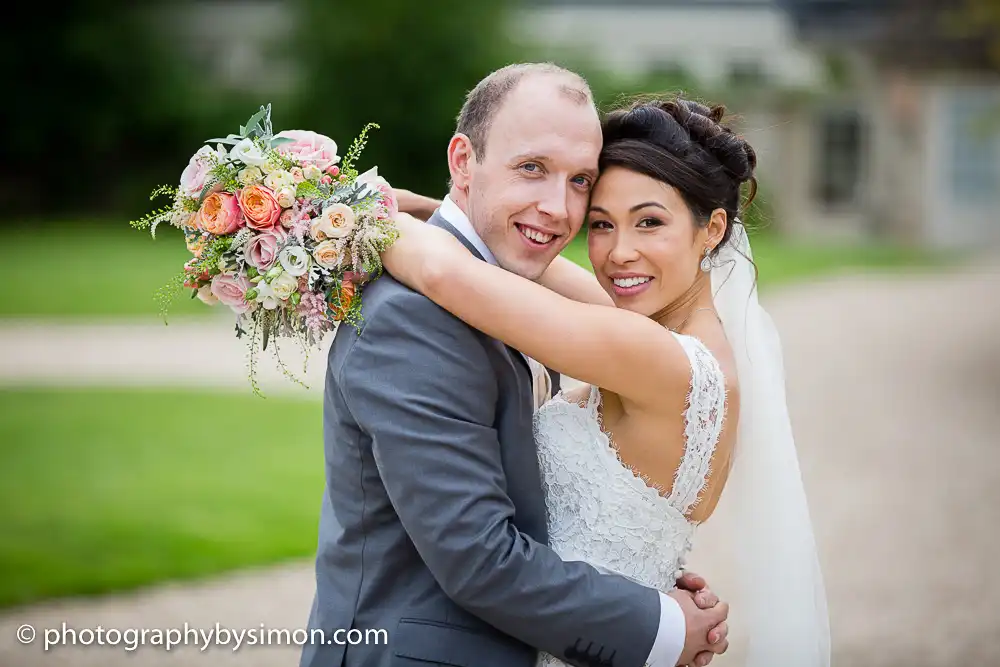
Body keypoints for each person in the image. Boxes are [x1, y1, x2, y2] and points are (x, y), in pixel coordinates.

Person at [299, 63, 731, 667]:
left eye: (581, 182)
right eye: (532, 168)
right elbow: (478, 558)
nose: (559, 208)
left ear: (711, 231)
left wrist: (629, 577)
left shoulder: (524, 296)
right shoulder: (413, 318)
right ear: (462, 162)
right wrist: (656, 625)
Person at [381, 91, 831, 665]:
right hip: (606, 630)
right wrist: (432, 210)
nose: (620, 253)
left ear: (712, 228)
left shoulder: (654, 357)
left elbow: (444, 274)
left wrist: (340, 213)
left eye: (649, 223)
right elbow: (543, 276)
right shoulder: (676, 339)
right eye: (600, 224)